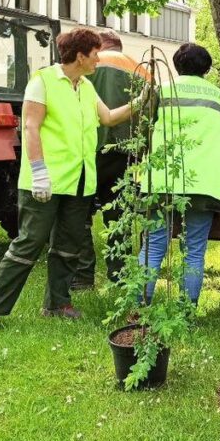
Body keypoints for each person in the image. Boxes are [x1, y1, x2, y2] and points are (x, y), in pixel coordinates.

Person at [0, 28, 147, 336]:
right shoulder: (43, 82)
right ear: (80, 56)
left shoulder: (87, 86)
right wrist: (38, 171)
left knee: (67, 246)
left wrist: (142, 101)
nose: (98, 59)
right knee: (28, 244)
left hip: (79, 182)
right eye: (95, 54)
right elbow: (32, 128)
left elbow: (109, 119)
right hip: (45, 182)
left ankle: (57, 304)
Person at [137, 43, 220, 306]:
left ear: (175, 65)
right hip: (205, 183)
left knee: (153, 245)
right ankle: (186, 311)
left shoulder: (162, 92)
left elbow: (143, 130)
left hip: (162, 180)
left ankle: (139, 307)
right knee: (194, 250)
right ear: (206, 69)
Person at [72, 29, 150, 290]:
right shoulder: (141, 69)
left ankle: (82, 277)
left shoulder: (88, 64)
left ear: (101, 45)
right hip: (126, 155)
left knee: (79, 213)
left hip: (90, 150)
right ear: (120, 45)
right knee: (119, 215)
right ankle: (120, 275)